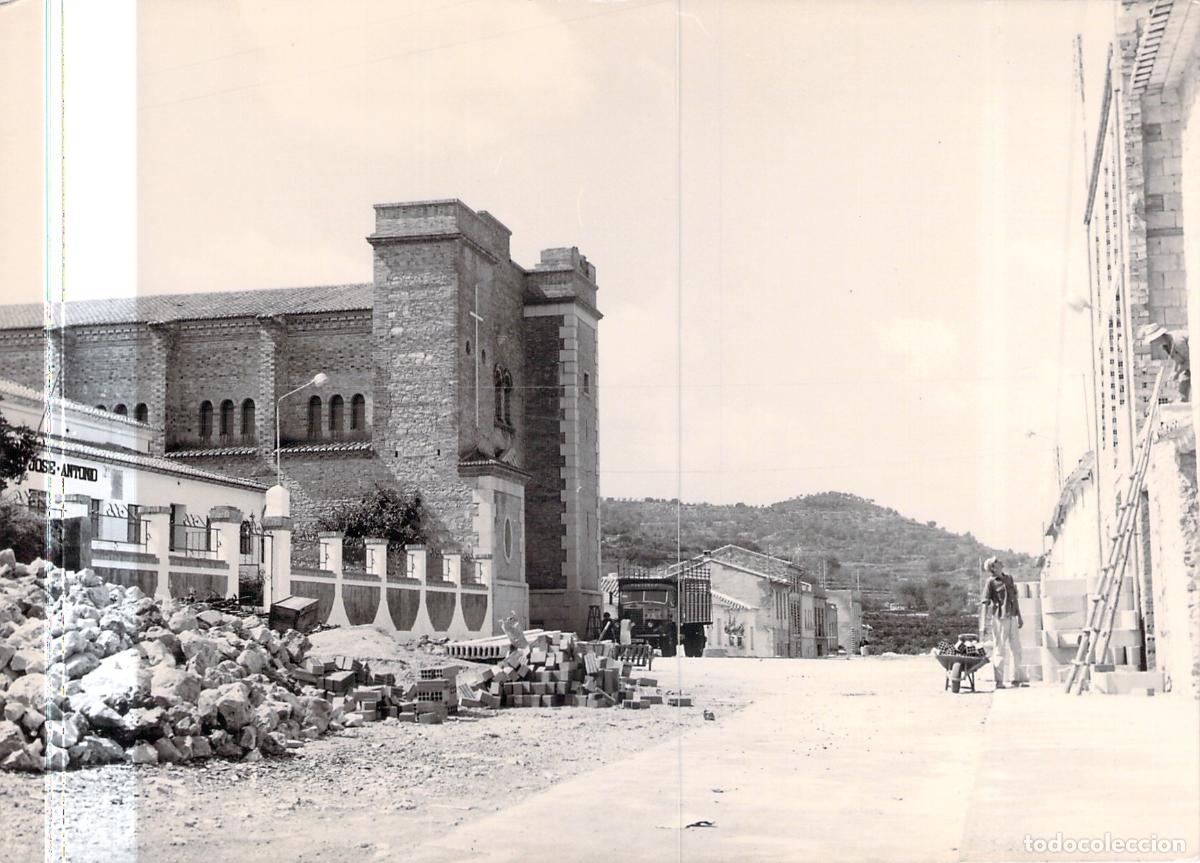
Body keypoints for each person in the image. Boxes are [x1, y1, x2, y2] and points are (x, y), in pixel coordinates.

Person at [978, 556, 1027, 689]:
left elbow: (1014, 599)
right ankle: (999, 681)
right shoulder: (991, 582)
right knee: (1000, 650)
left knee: (1016, 649)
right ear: (993, 567)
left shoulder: (1009, 579)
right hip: (999, 619)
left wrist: (1019, 616)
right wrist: (983, 624)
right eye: (997, 561)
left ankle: (1015, 679)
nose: (1000, 561)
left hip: (1012, 617)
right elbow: (985, 603)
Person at [1138, 323, 1190, 403]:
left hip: (1195, 361)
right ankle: (1182, 402)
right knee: (1183, 383)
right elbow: (1178, 360)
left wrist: (1177, 373)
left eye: (1153, 340)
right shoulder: (1166, 346)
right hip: (1190, 364)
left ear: (1159, 336)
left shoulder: (1177, 340)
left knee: (1185, 376)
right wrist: (1174, 371)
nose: (1154, 344)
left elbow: (1189, 361)